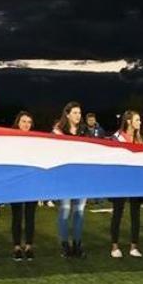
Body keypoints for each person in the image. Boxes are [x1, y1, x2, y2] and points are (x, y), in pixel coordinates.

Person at [53, 102, 89, 258]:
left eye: (79, 113)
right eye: (74, 112)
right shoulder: (58, 132)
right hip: (65, 178)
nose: (78, 115)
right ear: (67, 114)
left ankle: (77, 243)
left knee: (79, 212)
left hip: (81, 177)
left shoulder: (84, 131)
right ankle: (64, 244)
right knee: (65, 210)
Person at [109, 110, 143, 258]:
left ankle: (134, 246)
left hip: (135, 181)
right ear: (129, 121)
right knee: (118, 212)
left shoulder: (139, 138)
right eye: (137, 120)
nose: (140, 122)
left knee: (136, 214)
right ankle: (114, 246)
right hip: (120, 181)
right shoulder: (117, 138)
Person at [8, 111, 38, 261]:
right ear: (18, 123)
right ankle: (17, 246)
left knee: (30, 215)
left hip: (31, 183)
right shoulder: (11, 140)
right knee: (17, 216)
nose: (26, 124)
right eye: (23, 121)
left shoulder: (36, 141)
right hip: (16, 183)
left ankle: (29, 246)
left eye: (29, 122)